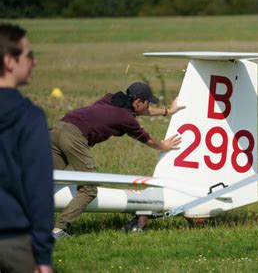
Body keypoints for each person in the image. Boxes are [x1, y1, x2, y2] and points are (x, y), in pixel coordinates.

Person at [51, 82, 184, 238]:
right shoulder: (126, 118)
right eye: (147, 103)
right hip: (74, 138)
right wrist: (164, 145)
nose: (149, 107)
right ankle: (59, 229)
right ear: (138, 102)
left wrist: (168, 111)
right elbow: (146, 139)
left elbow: (144, 111)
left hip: (57, 129)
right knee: (89, 188)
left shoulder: (111, 98)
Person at [0, 23, 54, 273]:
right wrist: (43, 255)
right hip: (14, 241)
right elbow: (39, 189)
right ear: (9, 61)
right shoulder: (29, 117)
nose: (34, 62)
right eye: (29, 55)